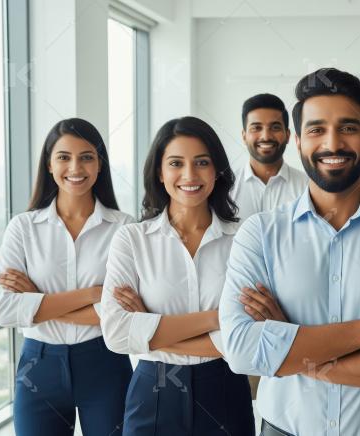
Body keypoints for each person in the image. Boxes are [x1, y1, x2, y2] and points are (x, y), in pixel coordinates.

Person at [219, 68, 360, 436]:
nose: (333, 143)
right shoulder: (259, 234)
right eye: (316, 129)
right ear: (298, 141)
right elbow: (242, 351)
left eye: (348, 127)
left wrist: (291, 346)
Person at [100, 116, 254, 436]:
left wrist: (150, 330)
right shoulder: (132, 240)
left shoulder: (245, 239)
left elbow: (251, 339)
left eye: (201, 162)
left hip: (225, 390)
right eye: (175, 163)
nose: (189, 175)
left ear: (217, 171)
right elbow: (116, 333)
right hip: (152, 393)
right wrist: (219, 318)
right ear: (159, 171)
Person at [0, 118, 133, 436]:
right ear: (49, 164)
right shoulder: (23, 228)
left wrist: (37, 300)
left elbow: (123, 314)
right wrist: (93, 294)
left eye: (86, 156)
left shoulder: (124, 228)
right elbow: (6, 310)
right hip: (38, 368)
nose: (76, 167)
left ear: (99, 164)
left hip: (105, 363)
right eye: (64, 157)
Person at [231, 93, 308, 222]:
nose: (266, 136)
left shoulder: (307, 187)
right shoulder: (227, 189)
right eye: (256, 128)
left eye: (275, 127)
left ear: (288, 135)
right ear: (244, 136)